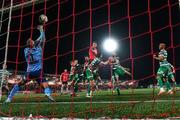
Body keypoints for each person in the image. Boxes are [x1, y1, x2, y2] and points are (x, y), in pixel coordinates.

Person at [5, 23, 55, 102]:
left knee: (19, 84)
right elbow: (42, 39)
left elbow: (36, 41)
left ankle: (9, 98)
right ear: (32, 43)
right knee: (45, 83)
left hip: (29, 72)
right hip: (38, 71)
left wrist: (36, 38)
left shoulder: (26, 50)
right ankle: (48, 94)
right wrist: (41, 30)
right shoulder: (38, 49)